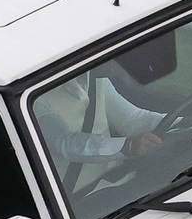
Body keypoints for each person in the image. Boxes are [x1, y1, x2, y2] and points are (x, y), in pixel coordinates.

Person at [32, 68, 163, 182]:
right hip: (82, 201)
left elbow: (133, 120)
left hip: (121, 185)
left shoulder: (96, 79)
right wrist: (126, 146)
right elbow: (65, 142)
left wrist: (181, 121)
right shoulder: (33, 101)